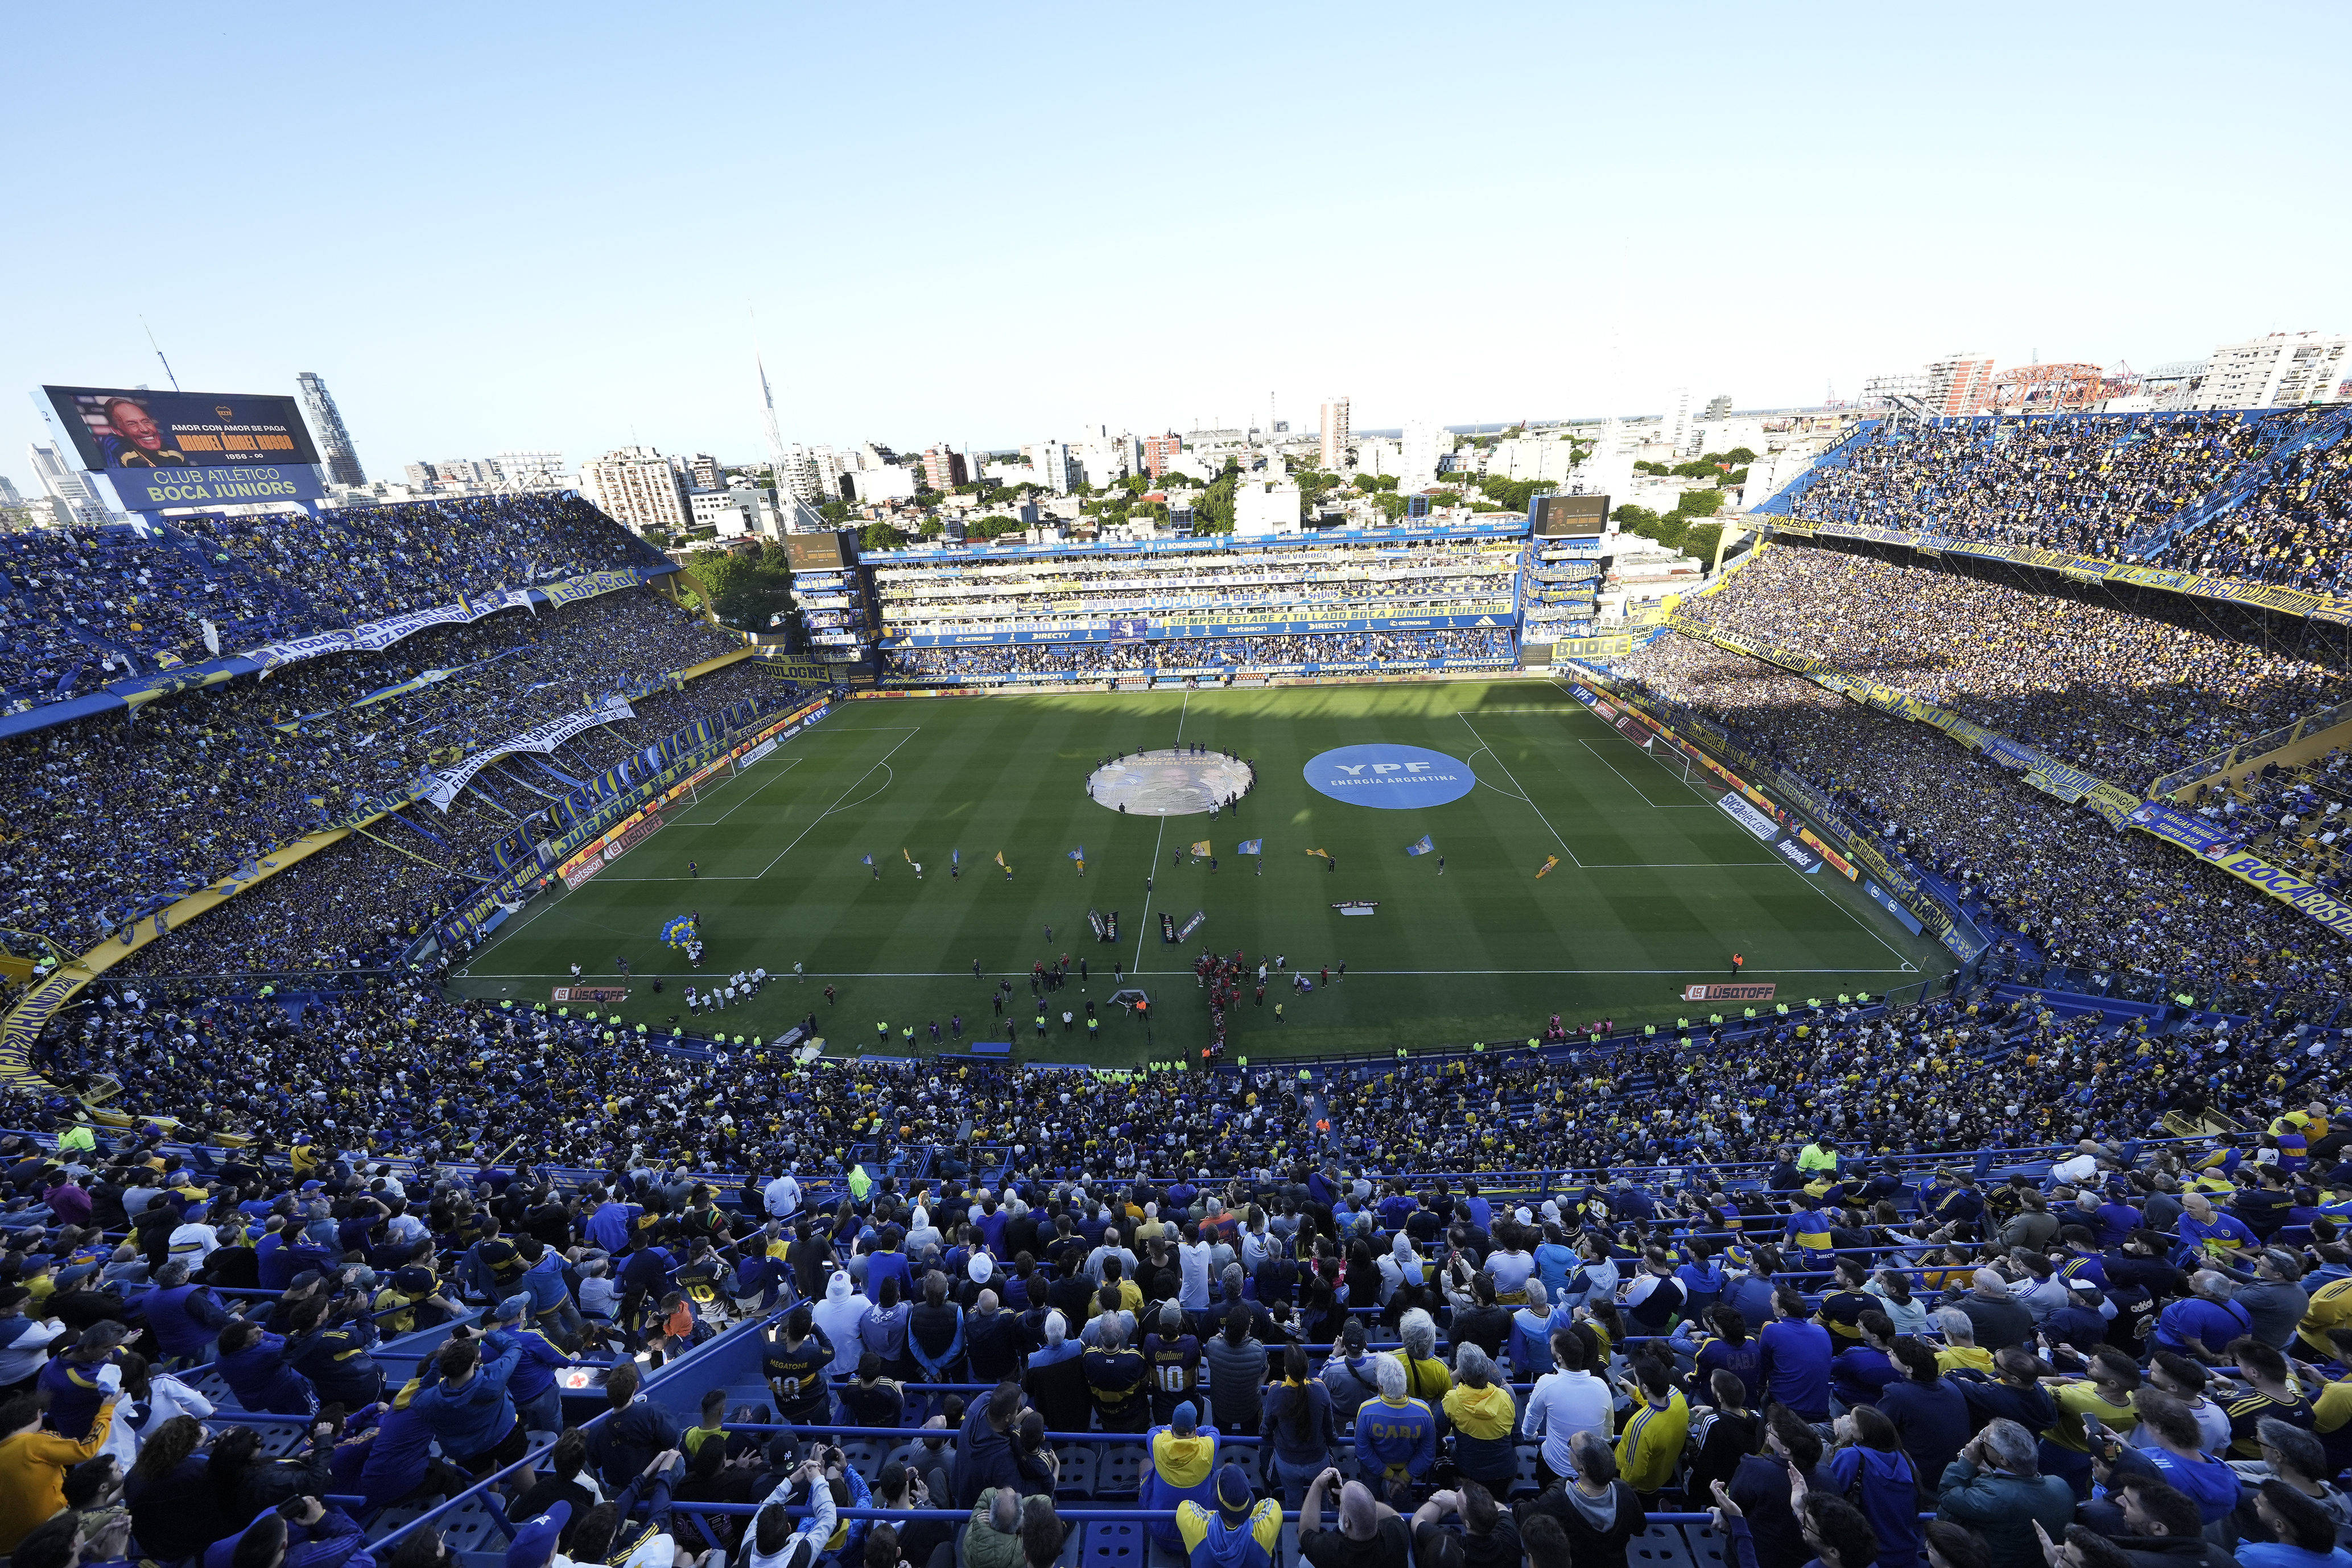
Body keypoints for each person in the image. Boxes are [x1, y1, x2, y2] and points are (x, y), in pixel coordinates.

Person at [1934, 1418, 2073, 1568]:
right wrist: (1991, 1474)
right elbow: (2022, 1492)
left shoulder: (1995, 1498)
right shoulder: (2060, 1485)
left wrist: (1966, 1462)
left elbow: (1948, 1496)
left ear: (2003, 1460)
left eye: (1983, 1440)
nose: (1977, 1442)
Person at [0, 1388, 117, 1553]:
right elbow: (86, 1450)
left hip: (8, 1547)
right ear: (39, 1414)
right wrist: (107, 1410)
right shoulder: (35, 1443)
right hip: (52, 1534)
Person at [1517, 1431, 1645, 1568]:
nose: (1569, 1445)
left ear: (1582, 1470)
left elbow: (1522, 1514)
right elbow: (1640, 1527)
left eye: (1570, 1445)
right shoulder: (1624, 1492)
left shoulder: (1558, 1498)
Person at [1827, 1405, 1923, 1568]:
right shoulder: (1907, 1460)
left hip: (1867, 1557)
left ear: (1864, 1433)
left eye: (1851, 1421)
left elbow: (1829, 1500)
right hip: (1907, 1555)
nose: (1848, 1423)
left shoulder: (1849, 1458)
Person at [1299, 1468, 1410, 1568]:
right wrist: (1356, 1505)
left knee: (1305, 1561)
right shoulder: (1397, 1533)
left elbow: (1305, 1531)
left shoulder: (1328, 1549)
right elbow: (1394, 1515)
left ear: (1347, 1522)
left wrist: (1318, 1484)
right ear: (1375, 1514)